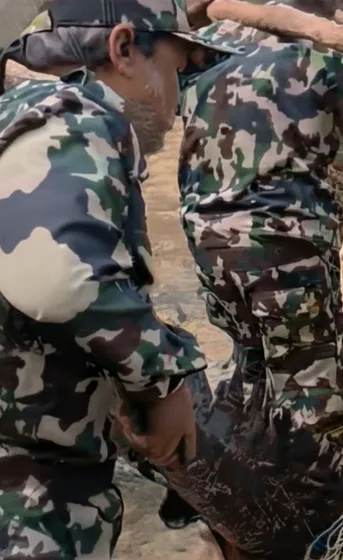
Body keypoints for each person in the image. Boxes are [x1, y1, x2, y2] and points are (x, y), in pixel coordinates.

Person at [0, 1, 235, 556]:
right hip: (28, 501)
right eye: (178, 71)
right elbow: (57, 280)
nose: (177, 102)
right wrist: (163, 379)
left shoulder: (17, 113)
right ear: (124, 49)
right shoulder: (78, 115)